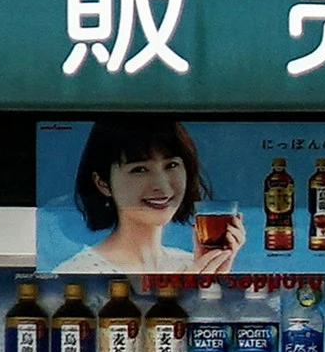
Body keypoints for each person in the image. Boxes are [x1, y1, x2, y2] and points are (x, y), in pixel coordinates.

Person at [59, 118, 244, 277]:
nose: (162, 186)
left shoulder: (191, 264)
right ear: (103, 183)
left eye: (171, 165)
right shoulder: (77, 272)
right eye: (139, 169)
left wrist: (216, 268)